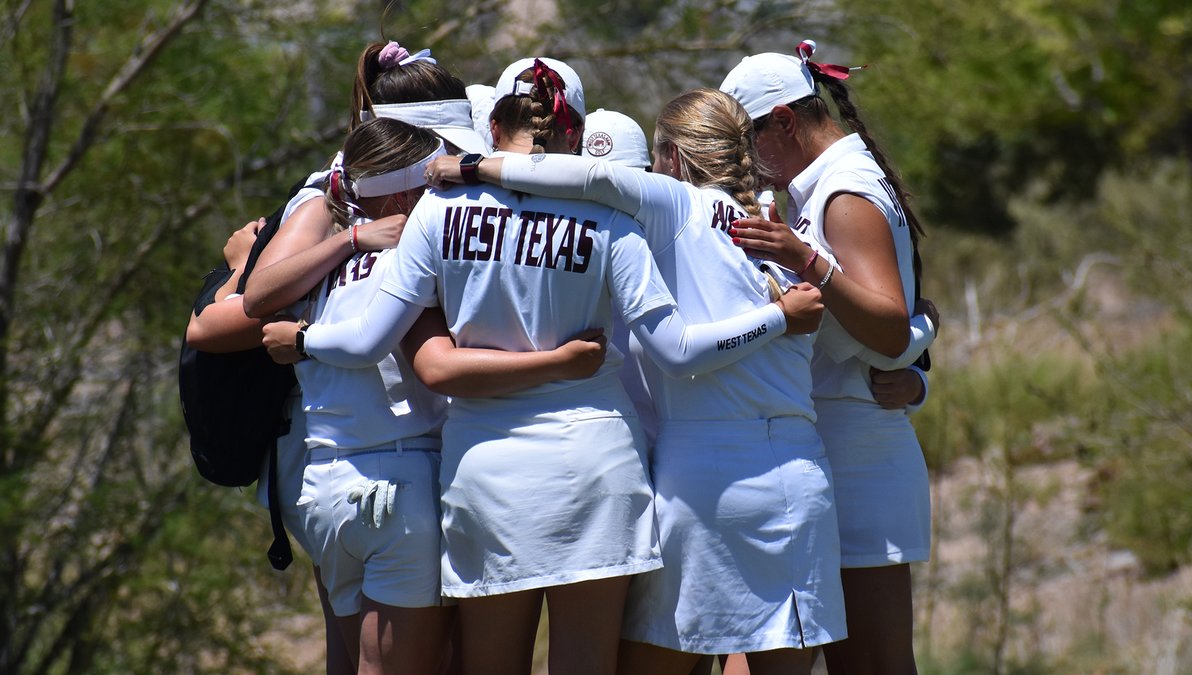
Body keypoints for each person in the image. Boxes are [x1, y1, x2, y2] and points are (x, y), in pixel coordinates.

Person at [269, 58, 823, 675]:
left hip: (486, 473)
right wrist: (779, 316)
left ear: (493, 123)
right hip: (598, 468)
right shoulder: (616, 222)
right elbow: (676, 349)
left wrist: (303, 340)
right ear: (578, 139)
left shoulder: (437, 210)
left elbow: (368, 340)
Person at [426, 87, 844, 675]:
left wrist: (470, 164)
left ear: (670, 158)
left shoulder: (675, 203)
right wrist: (918, 357)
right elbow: (887, 329)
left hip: (704, 481)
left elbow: (589, 183)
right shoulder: (783, 231)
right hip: (801, 480)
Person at [187, 41, 486, 674]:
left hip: (358, 462)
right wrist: (347, 243)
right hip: (357, 454)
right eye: (446, 145)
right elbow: (225, 319)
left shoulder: (423, 204)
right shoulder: (333, 199)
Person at [720, 40, 938, 674]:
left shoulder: (843, 191)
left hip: (857, 458)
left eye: (747, 143)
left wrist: (805, 260)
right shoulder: (825, 186)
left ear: (784, 122)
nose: (747, 165)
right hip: (824, 450)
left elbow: (890, 329)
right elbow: (907, 319)